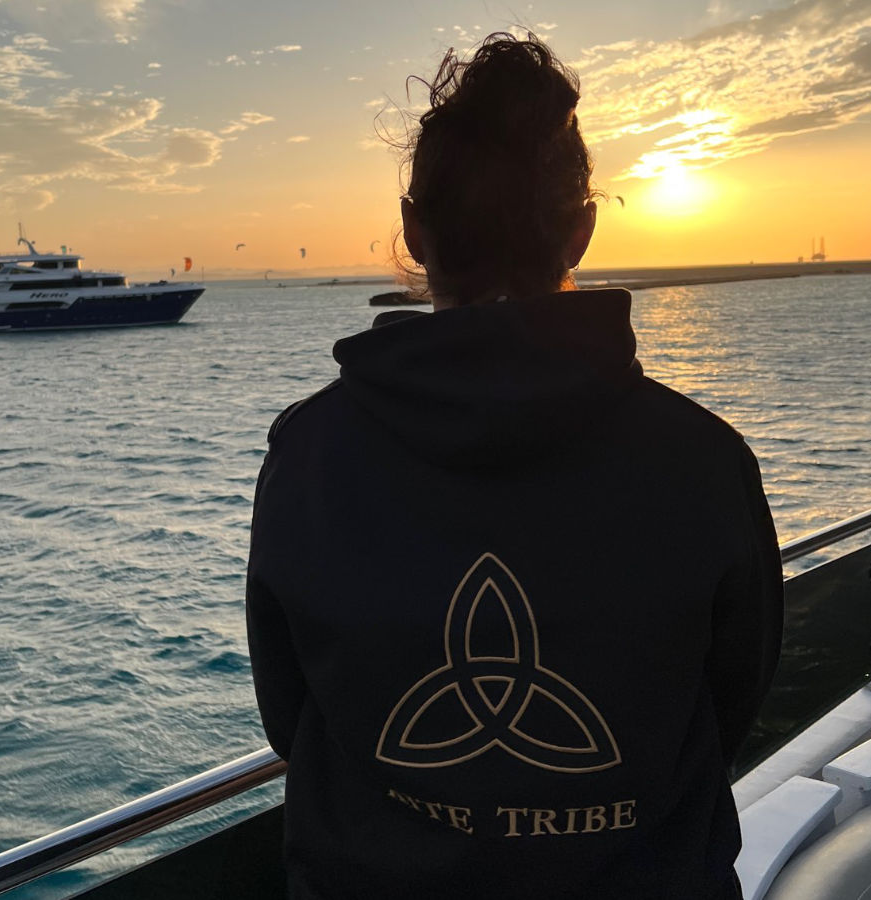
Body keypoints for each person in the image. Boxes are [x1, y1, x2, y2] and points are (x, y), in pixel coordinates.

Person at [246, 32, 782, 900]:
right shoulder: (705, 461)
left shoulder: (307, 454)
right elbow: (730, 710)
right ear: (581, 229)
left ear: (416, 232)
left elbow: (288, 716)